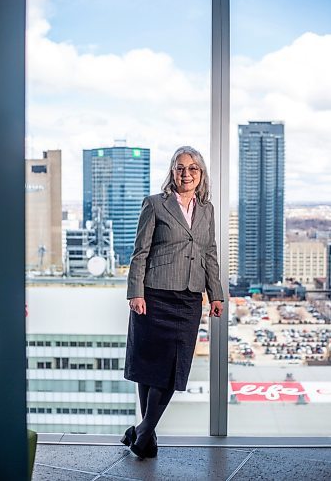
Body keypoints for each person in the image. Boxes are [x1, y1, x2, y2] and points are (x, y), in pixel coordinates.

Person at [121, 146, 224, 459]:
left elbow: (209, 253)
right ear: (172, 172)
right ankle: (145, 436)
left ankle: (142, 430)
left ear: (200, 174)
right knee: (147, 365)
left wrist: (216, 293)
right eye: (180, 168)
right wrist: (134, 292)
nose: (186, 173)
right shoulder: (155, 204)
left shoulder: (206, 209)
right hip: (154, 294)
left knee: (172, 368)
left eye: (192, 168)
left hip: (189, 298)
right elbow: (140, 252)